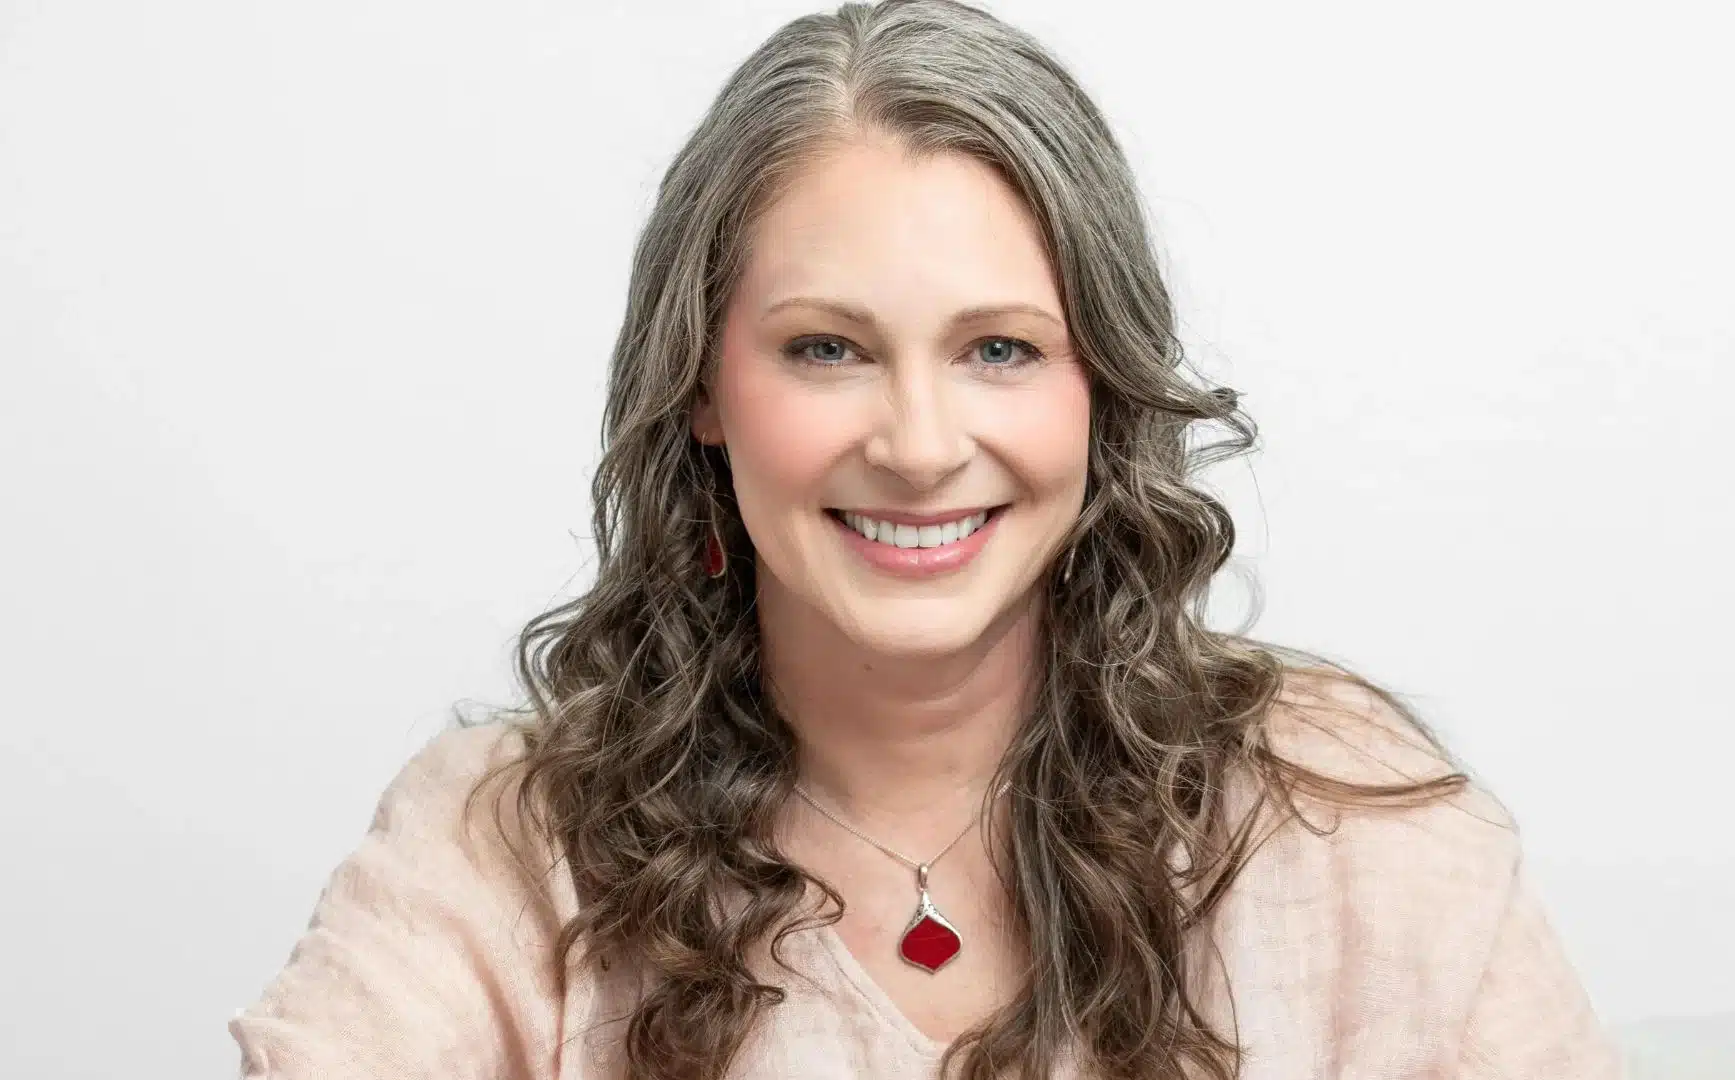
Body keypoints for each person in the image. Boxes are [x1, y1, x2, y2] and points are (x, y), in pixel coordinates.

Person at [229, 1, 1620, 1077]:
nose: (917, 441)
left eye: (1000, 350)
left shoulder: (1353, 827)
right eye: (827, 348)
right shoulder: (502, 853)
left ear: (1104, 387)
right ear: (703, 388)